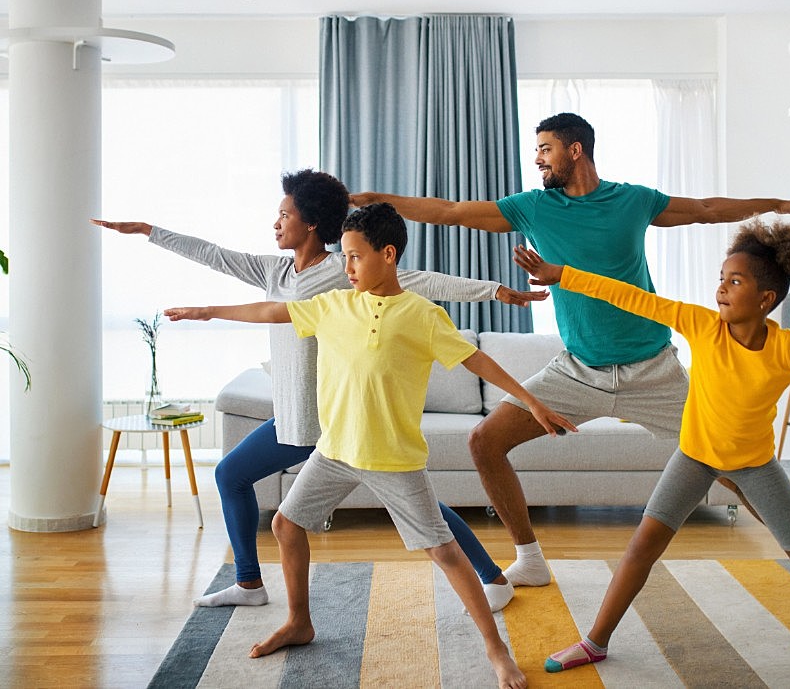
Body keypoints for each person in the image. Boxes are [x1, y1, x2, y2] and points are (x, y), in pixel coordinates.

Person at [350, 111, 790, 589]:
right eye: (536, 149)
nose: (537, 158)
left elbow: (704, 207)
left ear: (574, 150)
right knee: (484, 441)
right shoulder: (532, 207)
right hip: (577, 371)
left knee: (734, 466)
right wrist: (379, 200)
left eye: (544, 148)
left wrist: (776, 204)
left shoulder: (632, 201)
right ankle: (529, 558)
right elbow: (451, 212)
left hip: (654, 372)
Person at [92, 169, 547, 613]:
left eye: (284, 214)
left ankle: (252, 581)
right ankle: (488, 575)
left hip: (325, 419)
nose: (275, 222)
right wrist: (149, 231)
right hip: (292, 415)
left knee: (238, 476)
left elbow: (419, 280)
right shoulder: (273, 271)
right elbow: (212, 253)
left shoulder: (343, 270)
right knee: (407, 501)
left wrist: (493, 291)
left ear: (310, 223)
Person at [165, 203, 579, 688]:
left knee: (445, 553)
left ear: (388, 254)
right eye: (344, 257)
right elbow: (270, 309)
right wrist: (207, 312)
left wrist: (531, 402)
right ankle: (300, 621)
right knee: (285, 524)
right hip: (335, 450)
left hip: (392, 460)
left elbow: (477, 363)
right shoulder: (335, 305)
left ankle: (496, 649)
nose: (347, 268)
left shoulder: (422, 315)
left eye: (356, 257)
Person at [513, 220, 790, 683]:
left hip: (754, 468)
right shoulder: (702, 326)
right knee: (642, 547)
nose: (720, 289)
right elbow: (635, 298)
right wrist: (566, 275)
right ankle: (594, 642)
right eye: (721, 278)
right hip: (694, 457)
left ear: (765, 300)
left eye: (734, 281)